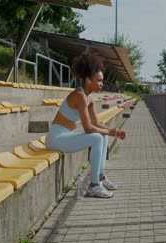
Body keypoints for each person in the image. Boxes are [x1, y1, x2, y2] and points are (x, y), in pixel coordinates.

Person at [45, 52, 126, 198]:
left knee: (101, 134)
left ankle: (100, 178)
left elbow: (96, 123)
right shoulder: (79, 95)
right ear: (88, 80)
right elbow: (88, 128)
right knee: (97, 137)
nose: (102, 83)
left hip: (66, 136)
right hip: (56, 138)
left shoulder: (89, 98)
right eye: (99, 80)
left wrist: (114, 131)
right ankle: (94, 186)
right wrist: (111, 132)